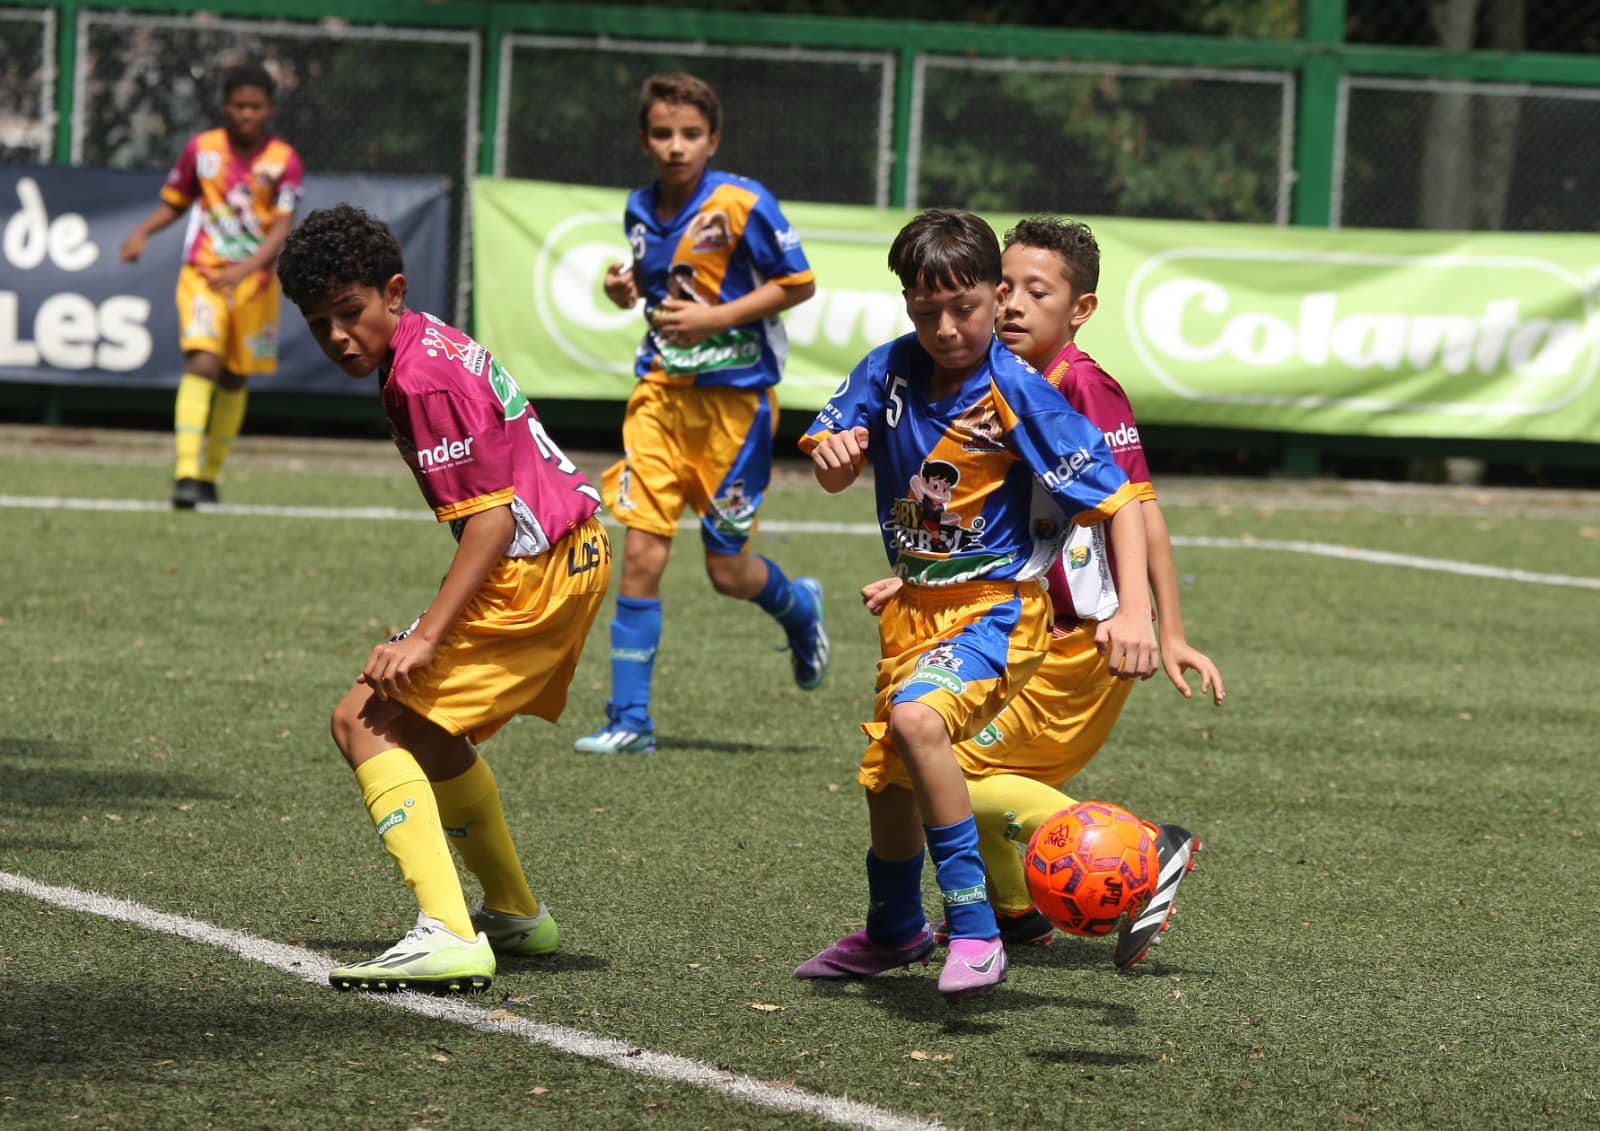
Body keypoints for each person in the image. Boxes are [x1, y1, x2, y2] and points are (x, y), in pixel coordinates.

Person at [793, 209, 1158, 1000]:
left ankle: (975, 927)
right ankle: (893, 929)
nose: (947, 327)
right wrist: (834, 455)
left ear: (994, 297)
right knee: (887, 778)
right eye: (927, 312)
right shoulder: (886, 368)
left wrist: (1139, 614)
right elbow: (830, 466)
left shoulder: (1021, 392)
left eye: (964, 309)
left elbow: (1123, 500)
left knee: (922, 725)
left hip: (1001, 608)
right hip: (916, 608)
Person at [865, 215, 1227, 972]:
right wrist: (919, 573)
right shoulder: (995, 380)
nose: (1015, 305)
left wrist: (1157, 621)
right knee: (935, 757)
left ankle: (1142, 853)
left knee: (937, 762)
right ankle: (1015, 915)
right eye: (1006, 288)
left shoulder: (1079, 384)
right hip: (1020, 616)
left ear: (1081, 309)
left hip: (1074, 638)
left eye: (1038, 291)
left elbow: (1136, 504)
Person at [276, 204, 611, 992]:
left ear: (393, 291)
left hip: (534, 568)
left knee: (361, 717)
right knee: (422, 726)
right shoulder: (423, 347)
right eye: (319, 323)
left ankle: (447, 931)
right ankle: (516, 913)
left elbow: (490, 522)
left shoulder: (421, 376)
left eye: (350, 311)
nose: (337, 337)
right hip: (570, 553)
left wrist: (425, 635)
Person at [575, 72, 826, 756]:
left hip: (735, 410)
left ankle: (800, 608)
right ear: (643, 139)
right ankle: (631, 719)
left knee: (726, 570)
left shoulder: (743, 203)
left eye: (690, 134)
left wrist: (718, 316)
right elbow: (651, 289)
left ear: (713, 139)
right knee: (641, 554)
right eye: (662, 133)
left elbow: (798, 281)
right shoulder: (637, 208)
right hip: (658, 396)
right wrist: (622, 287)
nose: (676, 146)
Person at [119, 62, 304, 509]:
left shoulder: (284, 161)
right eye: (238, 105)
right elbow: (176, 201)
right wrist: (142, 231)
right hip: (203, 276)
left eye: (255, 107)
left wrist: (247, 269)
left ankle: (209, 474)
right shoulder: (201, 150)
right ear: (225, 106)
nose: (246, 114)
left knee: (235, 376)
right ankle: (185, 472)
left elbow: (281, 227)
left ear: (269, 109)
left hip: (254, 283)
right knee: (202, 362)